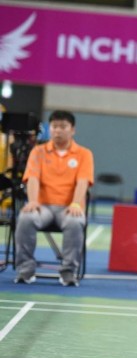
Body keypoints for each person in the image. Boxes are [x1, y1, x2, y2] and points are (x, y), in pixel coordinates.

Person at [13, 110, 94, 287]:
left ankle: (68, 272)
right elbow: (32, 178)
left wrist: (75, 203)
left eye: (63, 127)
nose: (58, 131)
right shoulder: (38, 151)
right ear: (50, 129)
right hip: (43, 207)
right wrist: (33, 201)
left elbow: (83, 182)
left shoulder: (84, 154)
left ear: (72, 130)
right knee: (26, 218)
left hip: (69, 207)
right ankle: (25, 269)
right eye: (54, 126)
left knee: (74, 222)